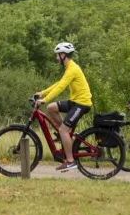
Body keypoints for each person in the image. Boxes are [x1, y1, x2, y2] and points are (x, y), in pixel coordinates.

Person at [34, 42, 93, 172]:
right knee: (51, 108)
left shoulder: (72, 69)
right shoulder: (69, 68)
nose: (56, 58)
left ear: (63, 55)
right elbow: (59, 83)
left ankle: (71, 161)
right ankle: (64, 134)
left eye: (57, 55)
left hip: (82, 103)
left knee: (63, 130)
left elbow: (61, 87)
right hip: (75, 101)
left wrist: (44, 100)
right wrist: (43, 93)